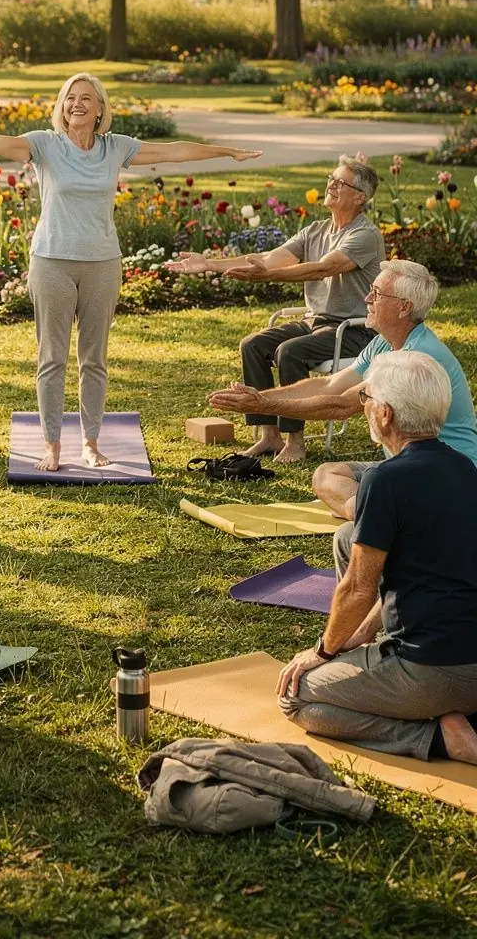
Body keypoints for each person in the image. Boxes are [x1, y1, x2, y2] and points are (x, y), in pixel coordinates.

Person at [0, 71, 261, 470]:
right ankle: (52, 444)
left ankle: (90, 442)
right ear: (62, 106)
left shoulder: (116, 149)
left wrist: (226, 151)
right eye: (69, 98)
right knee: (52, 358)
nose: (76, 104)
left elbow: (173, 150)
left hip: (102, 263)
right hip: (51, 261)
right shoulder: (44, 145)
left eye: (86, 99)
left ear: (100, 110)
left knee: (94, 359)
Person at [277, 350, 477, 767]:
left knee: (296, 699)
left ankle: (439, 737)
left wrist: (324, 651)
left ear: (384, 414)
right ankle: (449, 712)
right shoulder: (465, 469)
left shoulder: (385, 480)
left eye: (365, 397)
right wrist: (360, 635)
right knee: (350, 538)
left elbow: (358, 587)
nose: (361, 405)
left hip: (432, 668)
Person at [209, 258, 477, 514]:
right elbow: (329, 384)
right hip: (406, 468)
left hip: (450, 477)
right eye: (371, 290)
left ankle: (387, 516)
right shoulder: (384, 342)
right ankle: (383, 514)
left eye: (377, 293)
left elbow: (342, 406)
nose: (367, 298)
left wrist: (263, 405)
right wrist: (260, 397)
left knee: (341, 485)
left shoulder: (416, 356)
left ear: (404, 307)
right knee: (327, 475)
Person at [169, 156, 384, 463]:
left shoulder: (364, 235)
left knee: (290, 351)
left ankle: (295, 441)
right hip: (317, 322)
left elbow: (322, 269)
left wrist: (267, 275)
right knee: (253, 345)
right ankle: (270, 436)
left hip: (353, 329)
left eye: (341, 182)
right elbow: (271, 257)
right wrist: (210, 263)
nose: (331, 185)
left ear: (360, 197)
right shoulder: (316, 230)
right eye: (331, 179)